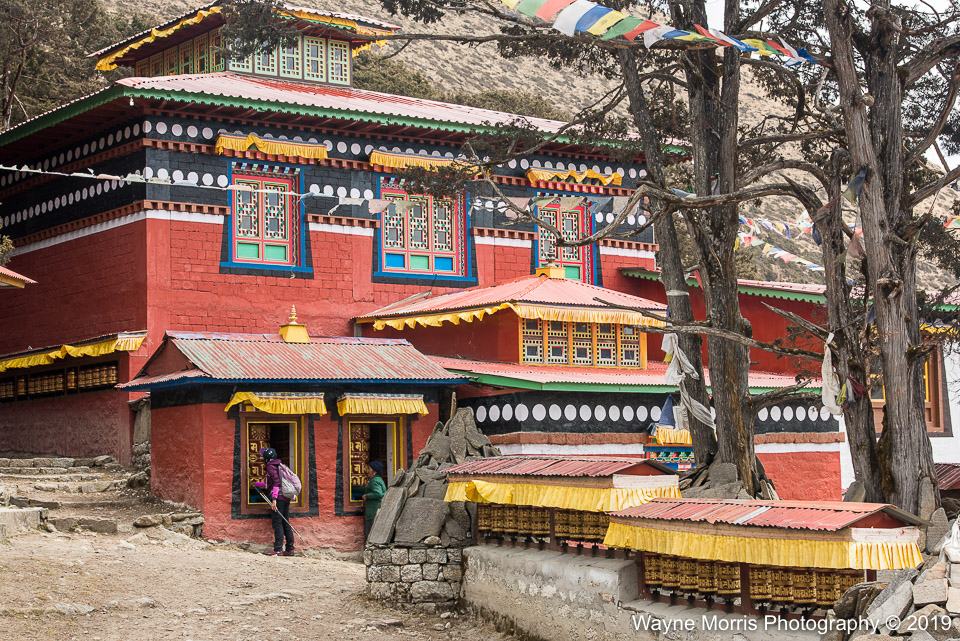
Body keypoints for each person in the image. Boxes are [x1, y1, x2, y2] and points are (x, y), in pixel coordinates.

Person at [253, 447, 294, 556]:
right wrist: (256, 484)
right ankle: (290, 549)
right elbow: (268, 484)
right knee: (285, 522)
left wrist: (274, 500)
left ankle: (278, 549)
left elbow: (276, 483)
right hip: (285, 497)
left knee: (278, 523)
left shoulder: (270, 467)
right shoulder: (279, 465)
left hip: (278, 498)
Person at [362, 461, 386, 538]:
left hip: (373, 511)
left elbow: (378, 494)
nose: (368, 470)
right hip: (375, 510)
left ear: (374, 471)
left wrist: (367, 496)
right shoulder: (378, 479)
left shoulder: (374, 480)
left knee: (370, 532)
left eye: (369, 468)